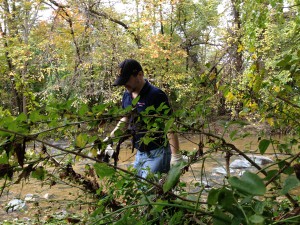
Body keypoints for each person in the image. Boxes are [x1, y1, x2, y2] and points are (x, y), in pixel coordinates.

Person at [106, 59, 182, 178]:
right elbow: (125, 119)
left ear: (140, 75)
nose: (124, 85)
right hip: (140, 153)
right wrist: (110, 139)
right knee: (136, 188)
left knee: (149, 191)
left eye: (126, 80)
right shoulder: (127, 95)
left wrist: (176, 156)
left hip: (158, 152)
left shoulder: (156, 95)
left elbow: (169, 125)